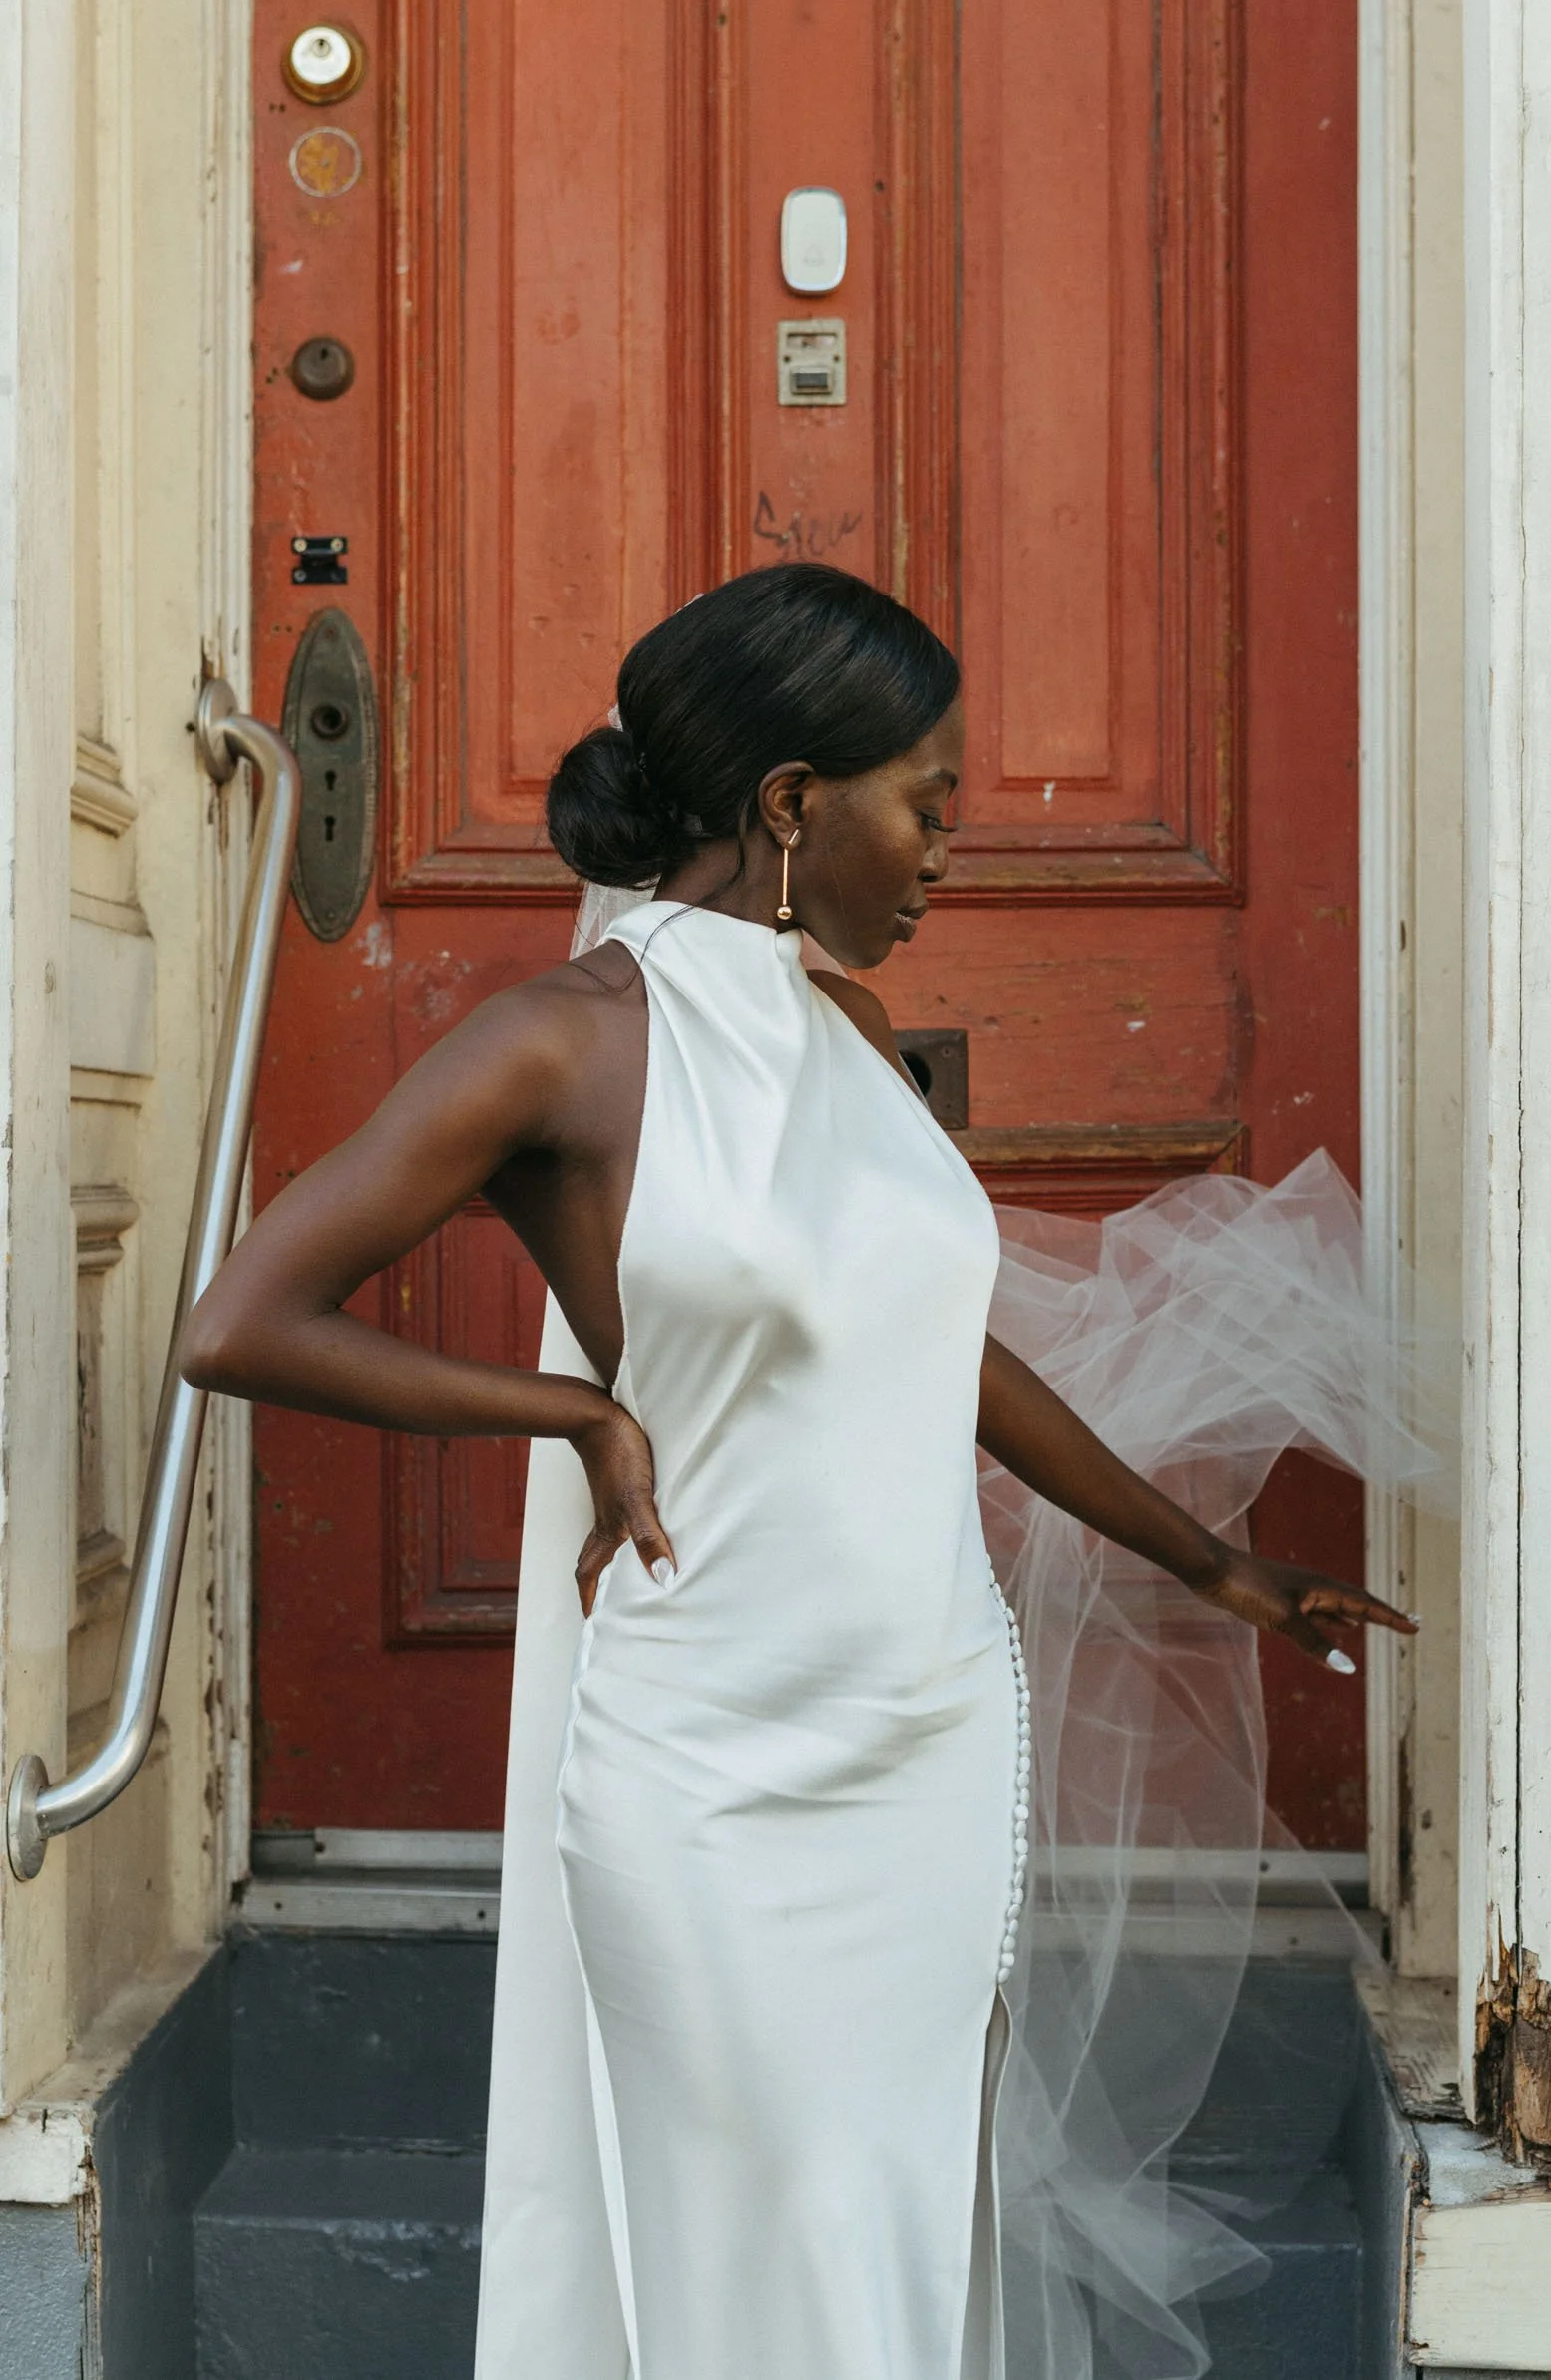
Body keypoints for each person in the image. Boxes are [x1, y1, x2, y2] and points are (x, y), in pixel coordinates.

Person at [181, 563, 1423, 2380]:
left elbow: (940, 1346)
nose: (945, 850)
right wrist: (578, 1417)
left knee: (897, 2245)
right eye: (926, 800)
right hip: (707, 1777)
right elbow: (241, 1321)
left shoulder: (845, 1031)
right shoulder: (565, 1039)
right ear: (788, 804)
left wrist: (1208, 1558)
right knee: (766, 2275)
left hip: (923, 1751)